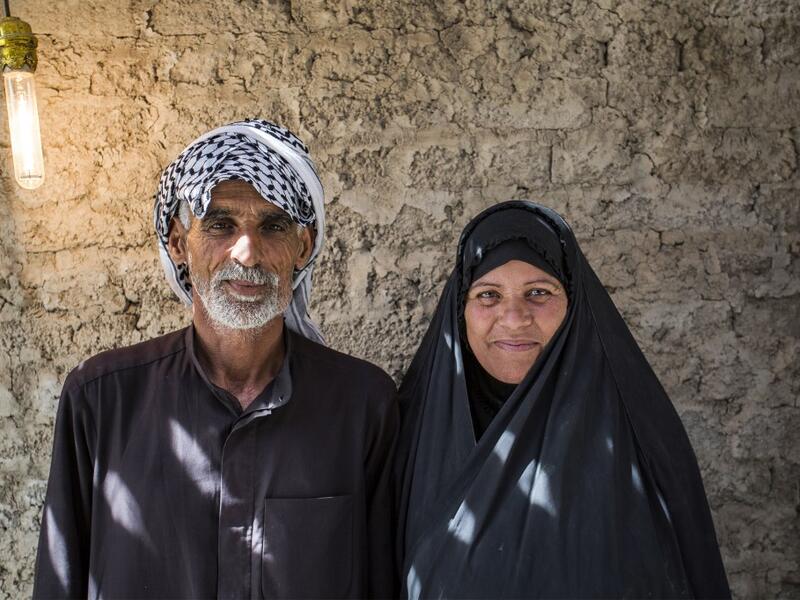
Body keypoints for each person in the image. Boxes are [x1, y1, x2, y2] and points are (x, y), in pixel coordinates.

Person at [34, 119, 398, 599]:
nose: (247, 253)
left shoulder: (362, 404)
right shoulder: (101, 400)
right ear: (179, 244)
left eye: (273, 226)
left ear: (302, 247)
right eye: (221, 225)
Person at [395, 200, 730, 598]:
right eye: (488, 295)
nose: (514, 318)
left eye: (539, 292)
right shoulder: (410, 437)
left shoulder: (639, 440)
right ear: (459, 310)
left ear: (574, 306)